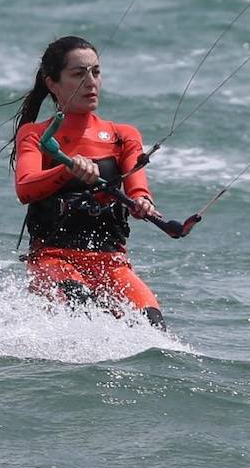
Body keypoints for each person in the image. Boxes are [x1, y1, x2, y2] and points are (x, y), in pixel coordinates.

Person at [9, 35, 167, 328]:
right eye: (78, 74)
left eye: (96, 72)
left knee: (153, 325)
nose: (91, 81)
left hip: (112, 263)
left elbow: (137, 185)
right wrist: (67, 170)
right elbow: (26, 188)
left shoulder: (123, 134)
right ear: (52, 84)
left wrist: (143, 203)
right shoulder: (35, 135)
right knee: (83, 310)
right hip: (54, 260)